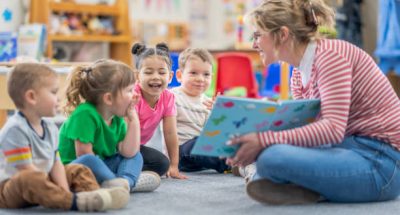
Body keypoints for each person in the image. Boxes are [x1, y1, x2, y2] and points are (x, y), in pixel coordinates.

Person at [227, 0, 400, 205]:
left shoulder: (330, 57)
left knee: (271, 158)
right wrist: (249, 140)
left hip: (381, 163)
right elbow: (306, 129)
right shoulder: (298, 74)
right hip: (346, 147)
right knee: (266, 153)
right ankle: (298, 183)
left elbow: (332, 129)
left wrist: (263, 141)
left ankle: (272, 176)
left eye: (257, 36)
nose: (254, 44)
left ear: (282, 34)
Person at [0, 63, 129, 212]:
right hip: (9, 189)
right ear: (32, 97)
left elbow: (56, 163)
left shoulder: (49, 127)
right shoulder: (15, 129)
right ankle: (76, 202)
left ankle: (96, 196)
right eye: (53, 93)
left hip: (45, 179)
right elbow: (26, 169)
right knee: (30, 178)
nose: (58, 98)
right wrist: (61, 192)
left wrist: (64, 189)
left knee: (77, 169)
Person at [59, 59, 161, 193]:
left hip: (102, 167)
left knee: (135, 156)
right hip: (75, 170)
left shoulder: (117, 116)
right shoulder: (84, 113)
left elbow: (128, 152)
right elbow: (83, 155)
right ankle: (120, 183)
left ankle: (125, 182)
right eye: (129, 90)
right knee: (90, 159)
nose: (135, 94)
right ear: (108, 99)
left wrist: (133, 119)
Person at [170, 48, 230, 173]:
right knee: (197, 144)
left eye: (206, 74)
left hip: (202, 154)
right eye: (193, 73)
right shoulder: (171, 97)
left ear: (212, 77)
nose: (200, 79)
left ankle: (236, 159)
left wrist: (217, 114)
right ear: (180, 76)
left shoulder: (207, 102)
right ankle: (232, 164)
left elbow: (213, 133)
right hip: (180, 154)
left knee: (227, 138)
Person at [131, 43, 187, 179]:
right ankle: (121, 171)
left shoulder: (168, 97)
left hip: (136, 148)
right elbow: (125, 133)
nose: (156, 77)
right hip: (117, 144)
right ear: (138, 76)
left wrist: (174, 166)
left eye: (162, 72)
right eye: (148, 72)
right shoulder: (133, 96)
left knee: (162, 164)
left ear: (170, 76)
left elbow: (170, 132)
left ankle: (125, 170)